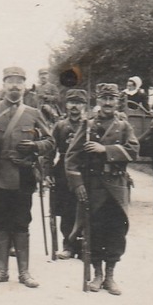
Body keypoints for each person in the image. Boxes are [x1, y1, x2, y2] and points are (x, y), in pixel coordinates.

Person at [0, 66, 54, 288]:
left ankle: (24, 273)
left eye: (19, 81)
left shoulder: (33, 113)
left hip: (22, 175)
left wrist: (35, 145)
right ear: (3, 85)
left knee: (22, 223)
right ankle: (1, 271)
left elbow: (51, 142)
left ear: (25, 87)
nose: (15, 85)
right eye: (10, 81)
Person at [65, 82, 139, 295]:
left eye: (112, 99)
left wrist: (104, 149)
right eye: (104, 98)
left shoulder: (124, 126)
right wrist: (77, 183)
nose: (108, 103)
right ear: (98, 101)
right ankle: (97, 274)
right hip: (94, 186)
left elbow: (133, 151)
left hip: (116, 187)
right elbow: (71, 157)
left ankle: (110, 276)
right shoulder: (87, 126)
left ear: (118, 101)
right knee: (94, 231)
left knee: (117, 231)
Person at [52, 88, 87, 259]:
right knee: (66, 208)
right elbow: (50, 150)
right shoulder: (60, 126)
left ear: (84, 106)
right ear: (66, 105)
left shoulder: (89, 125)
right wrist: (47, 172)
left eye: (79, 103)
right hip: (63, 170)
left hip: (85, 170)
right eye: (72, 103)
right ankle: (68, 245)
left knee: (84, 207)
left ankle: (82, 246)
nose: (75, 107)